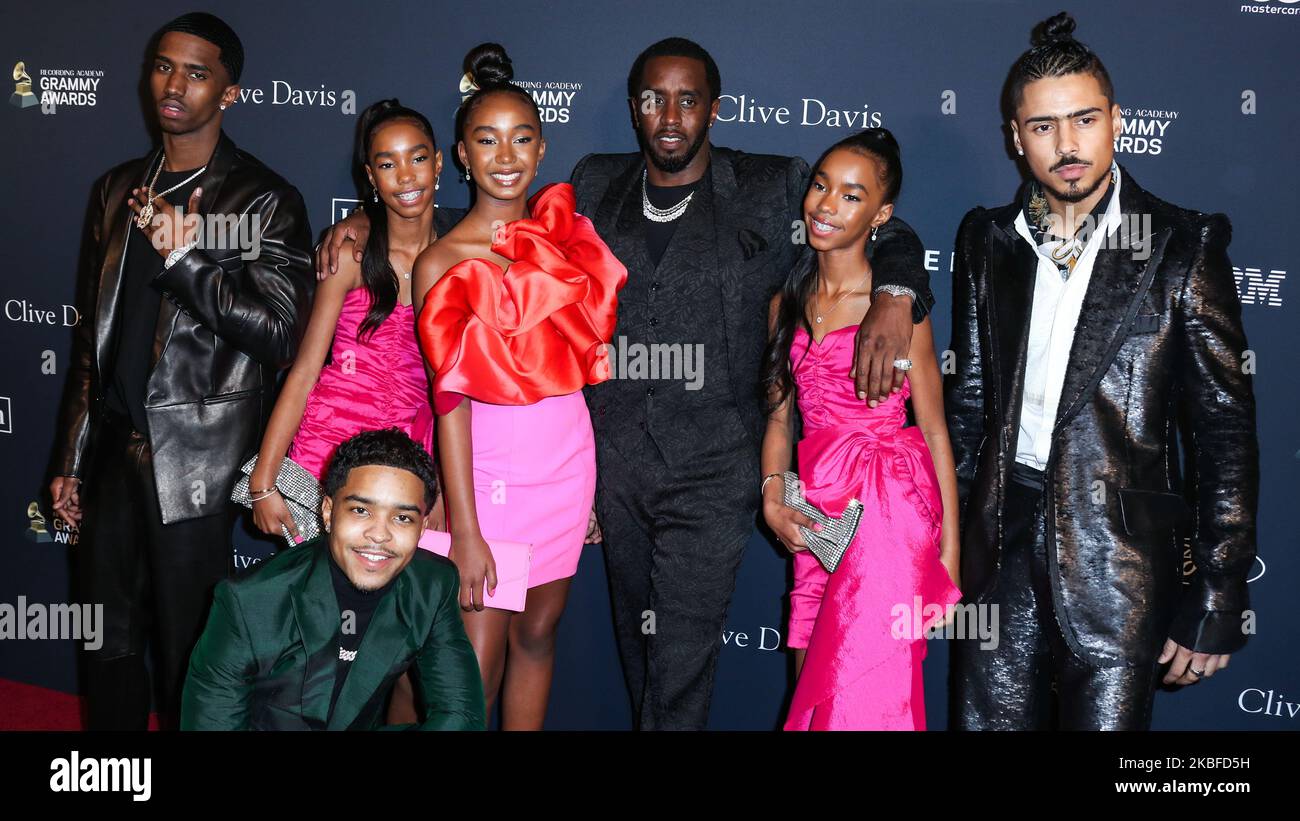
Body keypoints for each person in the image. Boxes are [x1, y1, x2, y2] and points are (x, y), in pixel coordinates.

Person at [568, 38, 934, 729]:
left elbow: (876, 217)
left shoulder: (771, 185)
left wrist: (895, 288)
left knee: (679, 665)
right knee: (640, 652)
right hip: (616, 465)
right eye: (653, 98)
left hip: (715, 467)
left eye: (688, 98)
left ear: (715, 108)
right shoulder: (592, 184)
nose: (669, 116)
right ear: (633, 107)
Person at [945, 12, 1259, 730]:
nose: (1066, 145)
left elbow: (1223, 434)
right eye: (1043, 127)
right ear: (1015, 137)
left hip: (1120, 562)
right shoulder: (987, 239)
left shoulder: (1183, 246)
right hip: (999, 546)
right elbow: (968, 404)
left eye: (1083, 119)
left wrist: (1217, 588)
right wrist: (947, 542)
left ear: (1117, 121)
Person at [47, 12, 314, 730]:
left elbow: (281, 335)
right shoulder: (115, 190)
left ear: (228, 93)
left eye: (198, 73)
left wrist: (185, 261)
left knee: (189, 658)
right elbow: (89, 345)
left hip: (197, 464)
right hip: (108, 455)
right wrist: (72, 456)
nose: (175, 84)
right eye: (165, 66)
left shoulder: (262, 199)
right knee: (105, 645)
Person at [412, 43, 626, 729]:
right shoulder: (441, 259)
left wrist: (588, 490)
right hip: (488, 478)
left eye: (521, 138)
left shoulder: (565, 243)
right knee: (473, 664)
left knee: (539, 635)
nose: (505, 155)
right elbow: (448, 401)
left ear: (541, 150)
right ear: (464, 155)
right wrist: (465, 523)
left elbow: (577, 371)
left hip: (566, 466)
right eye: (487, 139)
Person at [761, 129, 961, 730]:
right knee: (810, 683)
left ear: (882, 214)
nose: (827, 205)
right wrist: (772, 492)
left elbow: (934, 428)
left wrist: (948, 551)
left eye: (852, 195)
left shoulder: (897, 308)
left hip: (886, 507)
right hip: (815, 510)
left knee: (866, 687)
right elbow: (777, 417)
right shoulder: (786, 302)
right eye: (821, 186)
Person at [181, 428, 485, 731]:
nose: (379, 534)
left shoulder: (432, 586)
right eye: (361, 510)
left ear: (421, 529)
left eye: (402, 518)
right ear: (328, 512)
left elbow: (461, 715)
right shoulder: (249, 603)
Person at [249, 99, 444, 542]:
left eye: (417, 158)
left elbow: (453, 396)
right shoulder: (350, 256)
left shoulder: (457, 262)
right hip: (327, 450)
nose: (407, 175)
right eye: (388, 164)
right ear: (371, 178)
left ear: (438, 164)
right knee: (318, 598)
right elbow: (303, 372)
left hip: (412, 461)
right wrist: (263, 481)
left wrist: (446, 492)